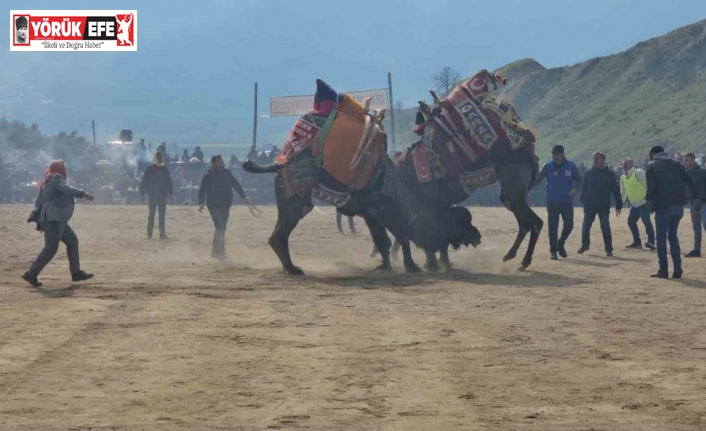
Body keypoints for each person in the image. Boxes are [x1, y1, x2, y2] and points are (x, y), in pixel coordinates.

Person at [22, 160, 95, 287]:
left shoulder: (47, 181)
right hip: (55, 219)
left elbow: (39, 202)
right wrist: (82, 194)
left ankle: (76, 272)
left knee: (72, 241)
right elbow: (66, 188)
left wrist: (38, 219)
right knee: (50, 248)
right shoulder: (56, 178)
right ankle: (31, 273)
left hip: (54, 219)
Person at [645, 145, 699, 278]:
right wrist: (695, 196)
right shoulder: (677, 165)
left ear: (653, 154)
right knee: (673, 236)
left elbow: (651, 187)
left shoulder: (652, 165)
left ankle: (663, 270)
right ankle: (677, 269)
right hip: (678, 207)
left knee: (661, 239)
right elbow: (690, 181)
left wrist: (648, 200)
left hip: (663, 207)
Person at [534, 145, 582, 260]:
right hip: (552, 202)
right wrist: (525, 184)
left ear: (562, 154)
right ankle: (553, 251)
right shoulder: (548, 166)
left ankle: (561, 242)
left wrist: (575, 189)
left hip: (566, 201)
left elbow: (580, 180)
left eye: (557, 155)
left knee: (569, 225)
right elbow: (537, 179)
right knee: (552, 227)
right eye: (553, 155)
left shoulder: (570, 166)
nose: (554, 157)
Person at [198, 155, 251, 259]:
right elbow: (202, 190)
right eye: (219, 162)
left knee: (222, 229)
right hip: (213, 205)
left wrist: (244, 197)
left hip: (225, 205)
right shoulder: (208, 175)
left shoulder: (227, 173)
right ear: (214, 164)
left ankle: (215, 253)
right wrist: (201, 203)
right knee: (220, 226)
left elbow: (236, 185)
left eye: (222, 161)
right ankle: (220, 253)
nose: (221, 163)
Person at [578, 152, 622, 256]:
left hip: (603, 205)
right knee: (585, 227)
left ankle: (608, 249)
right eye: (594, 158)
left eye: (597, 158)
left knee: (605, 227)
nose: (595, 160)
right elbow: (585, 187)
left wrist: (619, 203)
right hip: (590, 205)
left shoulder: (609, 174)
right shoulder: (589, 172)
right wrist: (583, 199)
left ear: (603, 160)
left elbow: (615, 189)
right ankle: (585, 245)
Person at [620, 158, 655, 250]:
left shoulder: (638, 172)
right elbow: (623, 192)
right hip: (634, 204)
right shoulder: (623, 177)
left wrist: (650, 198)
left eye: (625, 163)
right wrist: (620, 204)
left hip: (643, 202)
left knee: (646, 221)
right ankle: (637, 242)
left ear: (631, 164)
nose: (623, 165)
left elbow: (648, 185)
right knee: (631, 222)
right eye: (623, 164)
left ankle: (651, 242)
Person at [140, 152, 173, 239]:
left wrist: (171, 192)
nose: (160, 158)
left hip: (162, 196)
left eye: (161, 156)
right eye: (159, 157)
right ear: (155, 158)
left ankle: (162, 234)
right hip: (153, 195)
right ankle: (149, 234)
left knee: (161, 216)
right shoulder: (150, 169)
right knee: (152, 215)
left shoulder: (165, 168)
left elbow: (169, 181)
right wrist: (142, 193)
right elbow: (144, 182)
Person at [683, 153, 706, 257]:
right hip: (693, 203)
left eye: (687, 160)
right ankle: (697, 250)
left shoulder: (702, 172)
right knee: (696, 227)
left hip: (704, 202)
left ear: (692, 160)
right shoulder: (685, 174)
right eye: (684, 160)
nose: (685, 162)